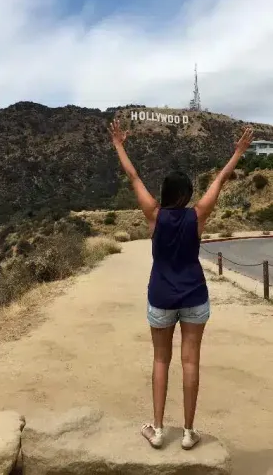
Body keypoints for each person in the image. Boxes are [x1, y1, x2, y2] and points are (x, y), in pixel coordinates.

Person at [108, 119, 253, 450]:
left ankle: (157, 430)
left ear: (163, 194)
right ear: (187, 195)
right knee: (191, 361)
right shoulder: (197, 215)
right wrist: (238, 153)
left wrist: (119, 145)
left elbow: (133, 177)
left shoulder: (154, 215)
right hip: (194, 297)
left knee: (161, 360)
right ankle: (188, 432)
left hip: (160, 297)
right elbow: (220, 179)